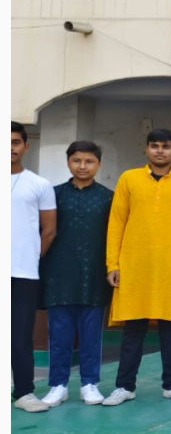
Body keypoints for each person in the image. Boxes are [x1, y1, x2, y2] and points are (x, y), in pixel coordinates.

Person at [102, 128, 171, 406]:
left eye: (166, 146)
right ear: (146, 149)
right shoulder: (129, 179)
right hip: (134, 267)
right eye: (155, 146)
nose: (160, 151)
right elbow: (116, 223)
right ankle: (124, 387)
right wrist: (113, 264)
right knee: (133, 330)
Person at [40, 141, 113, 408]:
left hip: (95, 275)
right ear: (68, 162)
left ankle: (89, 384)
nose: (83, 166)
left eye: (89, 161)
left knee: (91, 335)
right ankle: (57, 386)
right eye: (77, 161)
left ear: (99, 164)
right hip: (59, 274)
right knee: (59, 335)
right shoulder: (53, 195)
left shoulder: (108, 198)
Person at [10, 121, 57, 413]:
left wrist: (30, 257)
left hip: (23, 273)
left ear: (26, 146)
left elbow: (49, 230)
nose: (10, 148)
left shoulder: (39, 184)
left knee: (20, 334)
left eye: (15, 142)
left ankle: (24, 392)